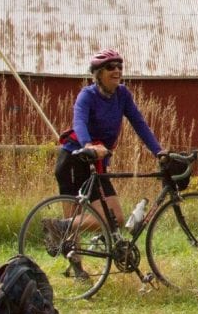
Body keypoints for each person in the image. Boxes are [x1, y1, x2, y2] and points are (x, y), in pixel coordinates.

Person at [51, 48, 167, 275]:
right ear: (98, 73)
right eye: (110, 67)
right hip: (74, 159)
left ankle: (60, 228)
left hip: (97, 164)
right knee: (74, 218)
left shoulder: (123, 95)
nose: (117, 71)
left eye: (119, 67)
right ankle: (77, 269)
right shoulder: (88, 95)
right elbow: (79, 122)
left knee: (116, 218)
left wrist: (158, 152)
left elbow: (139, 123)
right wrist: (88, 145)